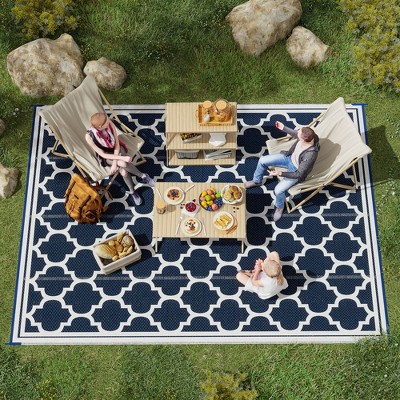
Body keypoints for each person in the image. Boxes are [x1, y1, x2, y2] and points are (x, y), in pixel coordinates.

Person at [245, 121, 320, 221]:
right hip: (288, 158)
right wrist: (283, 127)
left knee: (278, 190)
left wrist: (280, 173)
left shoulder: (310, 155)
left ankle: (279, 207)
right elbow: (296, 134)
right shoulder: (308, 137)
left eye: (299, 132)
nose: (297, 131)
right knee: (262, 160)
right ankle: (256, 181)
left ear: (303, 140)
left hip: (295, 170)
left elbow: (299, 174)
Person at [86, 112, 154, 206]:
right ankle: (142, 177)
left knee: (123, 167)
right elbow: (103, 154)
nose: (109, 121)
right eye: (106, 122)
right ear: (100, 126)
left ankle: (134, 188)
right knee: (123, 166)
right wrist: (122, 158)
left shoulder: (109, 123)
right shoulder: (89, 137)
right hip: (106, 156)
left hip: (116, 148)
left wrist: (115, 163)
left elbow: (117, 145)